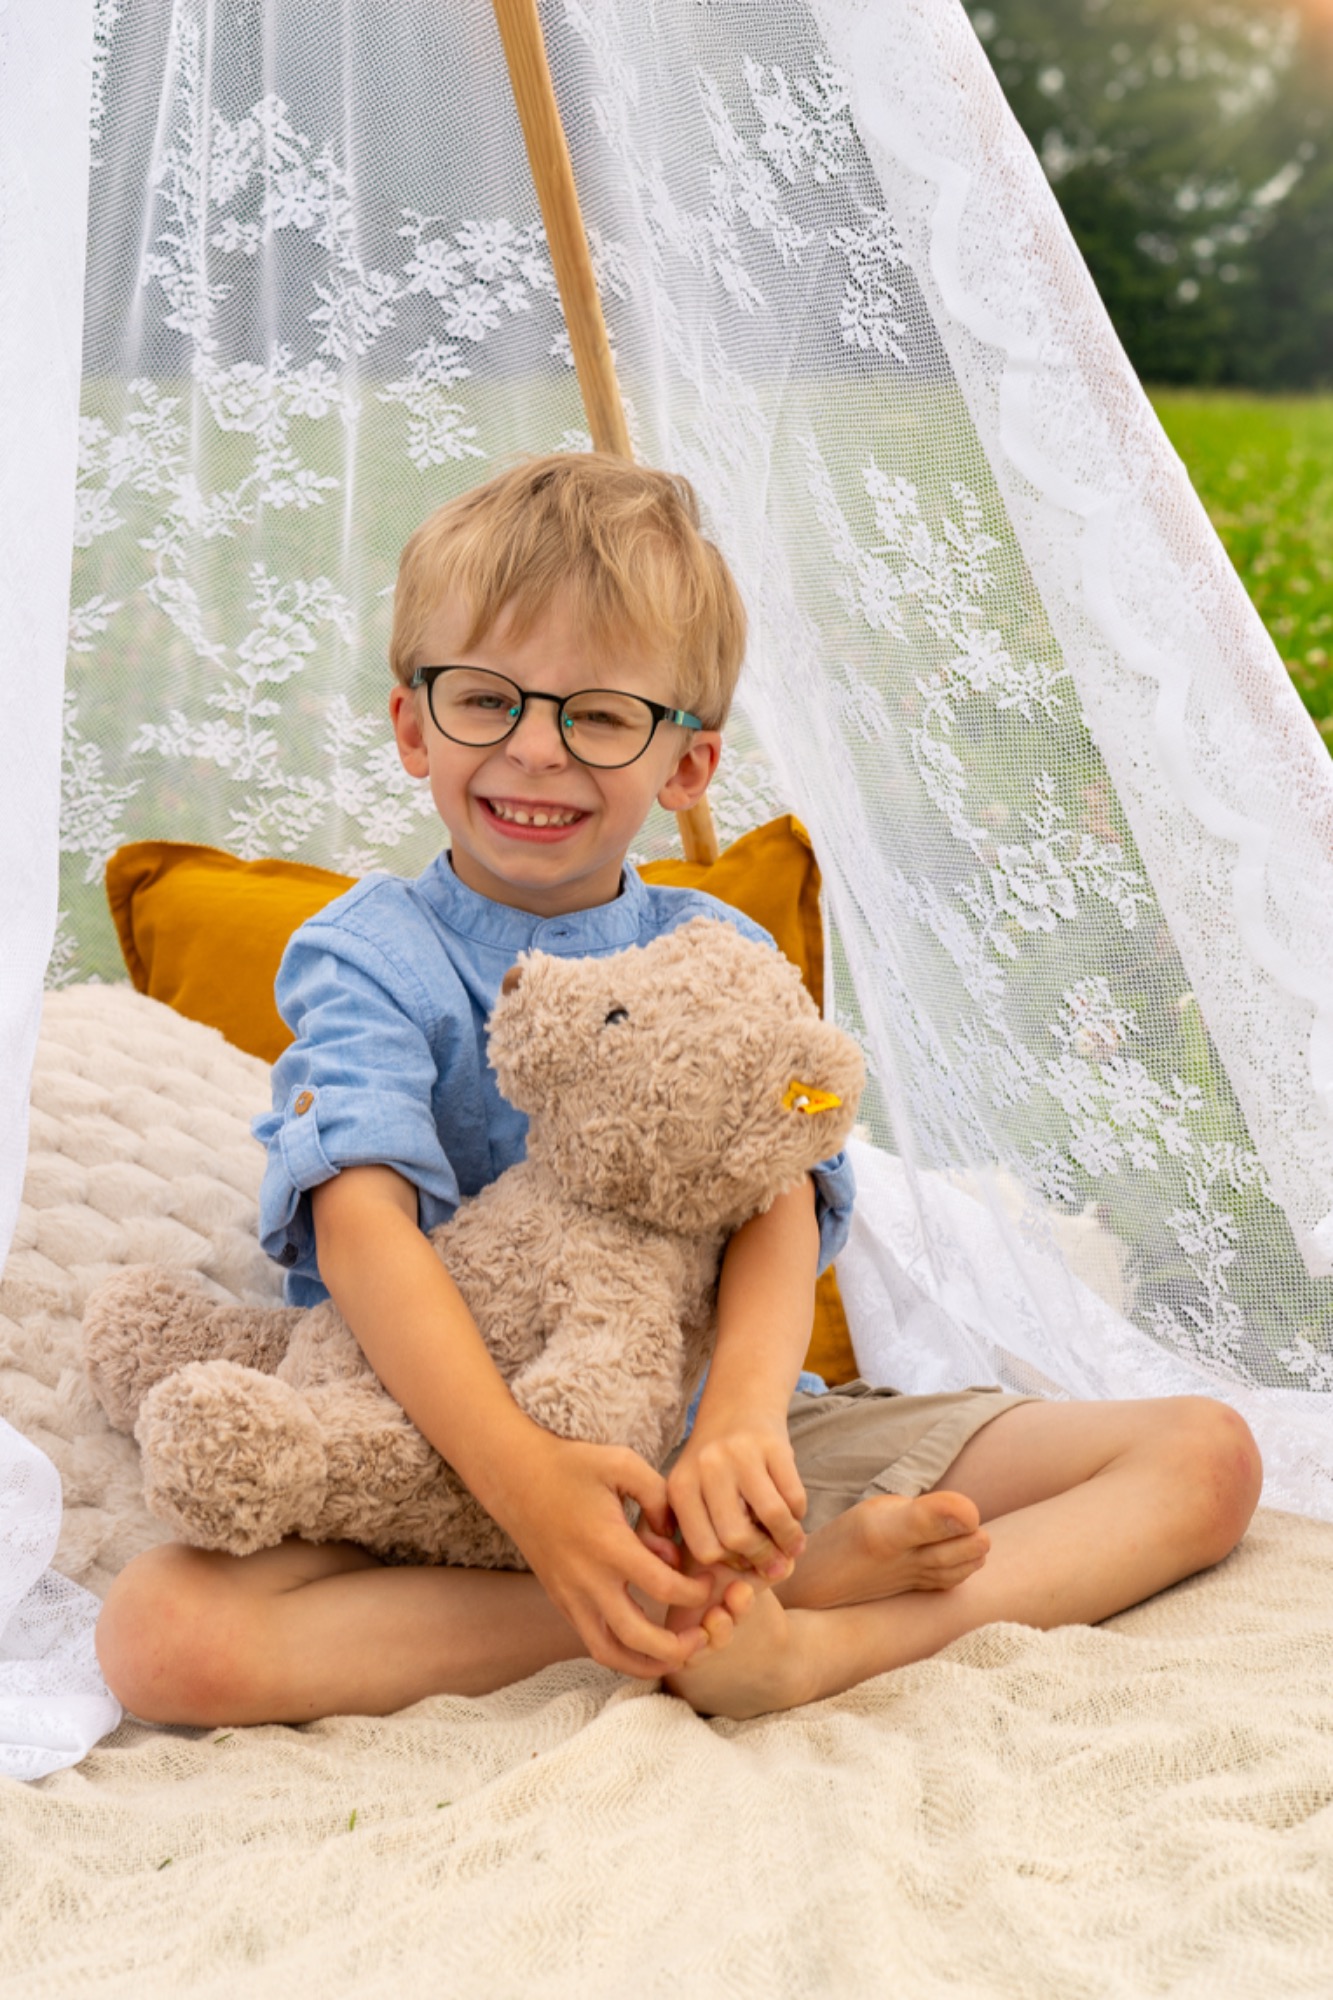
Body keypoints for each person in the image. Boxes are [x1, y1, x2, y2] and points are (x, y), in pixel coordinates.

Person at [95, 454, 1263, 1728]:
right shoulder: (364, 953)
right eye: (486, 699)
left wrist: (743, 1425)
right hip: (439, 1451)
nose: (536, 750)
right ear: (413, 725)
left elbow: (786, 1176)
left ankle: (805, 1649)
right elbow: (359, 1221)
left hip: (715, 1446)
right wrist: (537, 1491)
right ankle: (716, 1597)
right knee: (162, 1636)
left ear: (690, 764)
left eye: (599, 716)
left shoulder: (729, 954)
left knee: (1204, 1454)